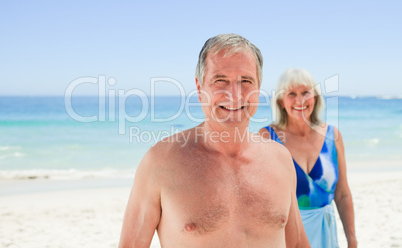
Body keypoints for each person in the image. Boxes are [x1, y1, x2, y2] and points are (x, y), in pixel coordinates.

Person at [119, 34, 310, 247]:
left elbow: (297, 243)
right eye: (220, 80)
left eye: (245, 81)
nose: (234, 94)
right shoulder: (160, 162)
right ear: (200, 89)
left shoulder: (280, 159)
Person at [259, 68, 357, 248]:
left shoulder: (332, 135)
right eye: (291, 94)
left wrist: (352, 240)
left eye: (305, 93)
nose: (300, 100)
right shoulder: (267, 137)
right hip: (287, 237)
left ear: (316, 97)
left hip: (326, 235)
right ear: (281, 101)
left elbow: (342, 194)